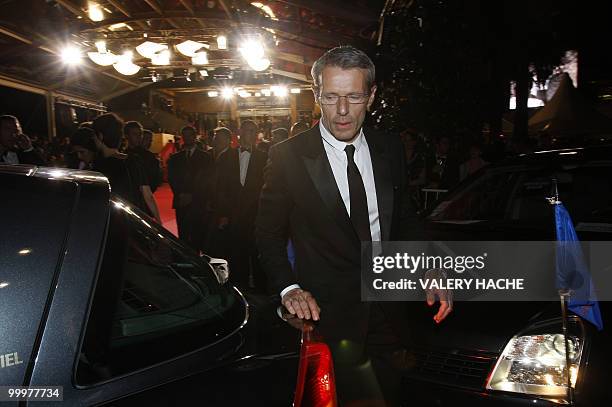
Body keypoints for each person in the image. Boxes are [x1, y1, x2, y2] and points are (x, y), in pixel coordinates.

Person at [255, 45, 451, 406]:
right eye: (330, 97)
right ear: (316, 95)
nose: (342, 111)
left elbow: (405, 218)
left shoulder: (389, 148)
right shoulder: (288, 156)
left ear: (371, 96)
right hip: (327, 319)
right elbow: (268, 233)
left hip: (389, 312)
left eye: (353, 97)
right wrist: (287, 288)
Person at [215, 120, 267, 290]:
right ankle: (239, 290)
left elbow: (269, 189)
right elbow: (220, 187)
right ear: (239, 132)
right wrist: (223, 214)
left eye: (253, 131)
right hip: (233, 215)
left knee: (258, 257)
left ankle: (261, 292)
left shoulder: (265, 157)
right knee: (236, 255)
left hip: (257, 215)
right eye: (247, 131)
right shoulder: (225, 157)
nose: (250, 135)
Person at [92, 113, 161, 223]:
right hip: (133, 218)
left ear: (100, 136)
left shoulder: (96, 166)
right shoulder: (132, 160)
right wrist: (158, 222)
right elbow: (148, 195)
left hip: (108, 220)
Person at [167, 125, 213, 250]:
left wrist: (193, 196)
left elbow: (207, 179)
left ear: (195, 137)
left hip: (199, 202)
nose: (187, 138)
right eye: (184, 136)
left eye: (189, 135)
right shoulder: (175, 158)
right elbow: (172, 178)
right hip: (181, 201)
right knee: (183, 234)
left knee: (199, 235)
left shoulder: (205, 157)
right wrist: (180, 193)